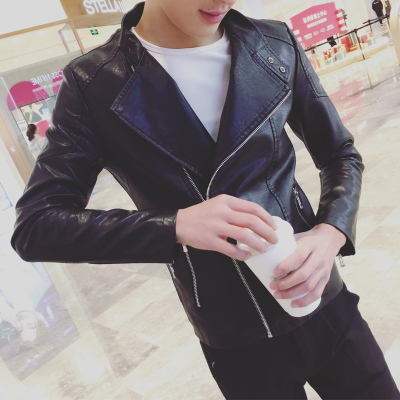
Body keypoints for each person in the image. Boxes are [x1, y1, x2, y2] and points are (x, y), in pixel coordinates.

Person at [11, 1, 400, 398]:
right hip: (233, 333)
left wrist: (330, 233)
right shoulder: (94, 83)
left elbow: (340, 154)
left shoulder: (274, 43)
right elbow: (36, 225)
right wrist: (175, 225)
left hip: (320, 296)